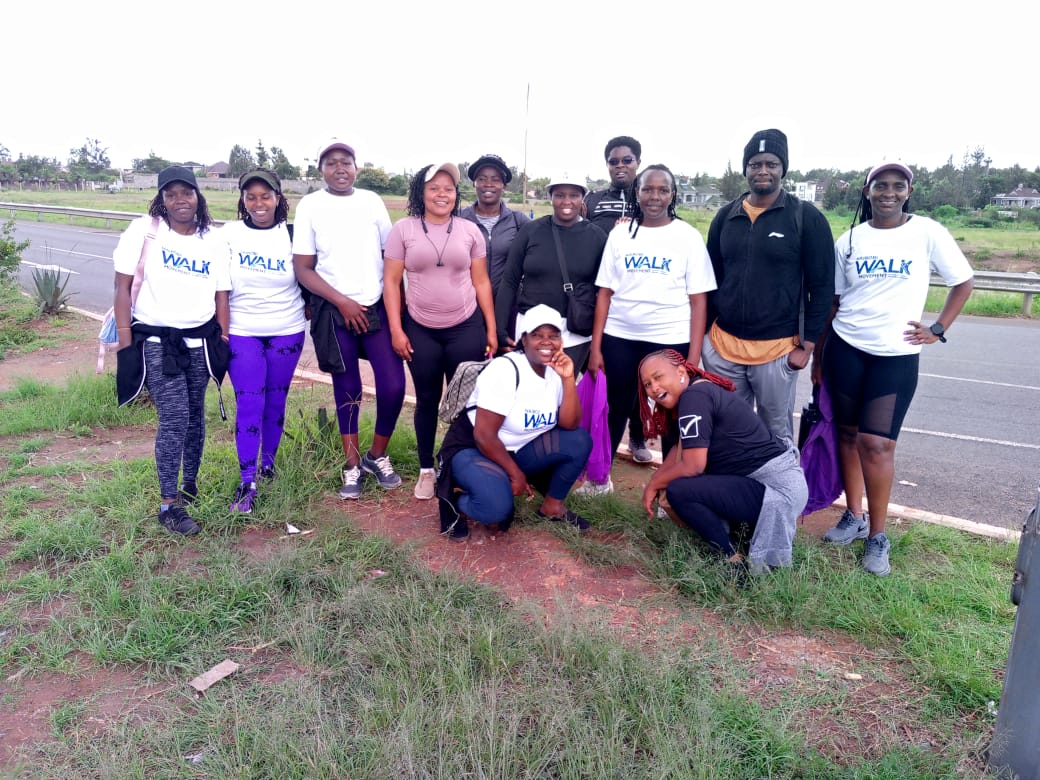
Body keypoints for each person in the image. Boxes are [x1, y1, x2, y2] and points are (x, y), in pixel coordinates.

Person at [816, 162, 973, 576]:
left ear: (908, 191)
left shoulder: (927, 232)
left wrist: (938, 328)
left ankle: (877, 536)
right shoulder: (849, 238)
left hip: (896, 355)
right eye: (880, 186)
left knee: (878, 444)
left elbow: (963, 281)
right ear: (867, 192)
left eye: (897, 186)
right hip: (846, 348)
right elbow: (833, 302)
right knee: (846, 436)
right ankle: (853, 515)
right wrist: (818, 357)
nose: (888, 192)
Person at [581, 164, 717, 495]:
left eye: (662, 190)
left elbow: (699, 302)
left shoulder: (687, 237)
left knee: (673, 415)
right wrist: (596, 347)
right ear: (636, 193)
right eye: (647, 189)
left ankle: (672, 492)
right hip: (620, 337)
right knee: (612, 408)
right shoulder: (620, 234)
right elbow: (604, 294)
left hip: (671, 339)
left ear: (672, 195)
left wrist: (694, 357)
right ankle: (600, 479)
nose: (654, 196)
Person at [114, 165, 231, 536]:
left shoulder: (214, 239)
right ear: (161, 199)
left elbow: (221, 294)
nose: (180, 200)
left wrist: (223, 341)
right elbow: (122, 287)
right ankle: (168, 505)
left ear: (199, 196)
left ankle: (189, 486)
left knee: (196, 415)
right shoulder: (145, 231)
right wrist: (124, 340)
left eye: (187, 193)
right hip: (157, 342)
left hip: (200, 341)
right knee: (176, 415)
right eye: (171, 194)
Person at [703, 128, 835, 445]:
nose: (763, 171)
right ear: (746, 169)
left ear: (782, 169)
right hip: (724, 349)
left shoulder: (806, 218)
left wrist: (807, 346)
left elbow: (822, 287)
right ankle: (735, 493)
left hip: (777, 350)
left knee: (775, 435)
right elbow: (710, 279)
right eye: (755, 164)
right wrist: (707, 336)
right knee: (729, 430)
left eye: (771, 164)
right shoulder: (725, 216)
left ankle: (783, 494)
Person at [292, 140, 406, 501]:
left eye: (346, 162)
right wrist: (341, 302)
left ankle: (377, 455)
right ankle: (352, 463)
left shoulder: (371, 201)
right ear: (320, 169)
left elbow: (392, 254)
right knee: (349, 388)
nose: (339, 168)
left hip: (374, 306)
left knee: (392, 385)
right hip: (333, 309)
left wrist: (395, 305)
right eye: (331, 163)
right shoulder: (310, 204)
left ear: (356, 167)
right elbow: (303, 268)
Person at [382, 163, 498, 501]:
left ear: (455, 194)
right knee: (428, 401)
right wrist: (395, 329)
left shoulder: (469, 231)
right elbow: (391, 282)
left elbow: (481, 281)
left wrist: (491, 329)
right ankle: (426, 470)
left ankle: (456, 464)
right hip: (420, 330)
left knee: (464, 403)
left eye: (448, 188)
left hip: (466, 327)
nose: (441, 194)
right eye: (434, 188)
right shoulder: (403, 230)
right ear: (421, 192)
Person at [637, 349, 808, 573]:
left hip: (776, 491)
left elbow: (693, 465)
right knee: (692, 482)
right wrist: (657, 479)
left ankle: (731, 561)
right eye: (647, 384)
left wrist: (654, 484)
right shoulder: (698, 389)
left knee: (680, 490)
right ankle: (739, 536)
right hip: (780, 484)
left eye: (658, 377)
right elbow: (680, 448)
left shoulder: (693, 397)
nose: (654, 388)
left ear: (680, 371)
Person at [435, 305, 592, 540]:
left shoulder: (555, 371)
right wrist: (516, 475)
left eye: (553, 335)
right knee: (495, 509)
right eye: (537, 335)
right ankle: (456, 496)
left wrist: (568, 379)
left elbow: (569, 425)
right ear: (523, 339)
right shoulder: (505, 370)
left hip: (519, 450)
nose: (546, 342)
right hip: (475, 448)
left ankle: (552, 507)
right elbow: (484, 436)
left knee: (579, 441)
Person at [222, 168, 306, 513]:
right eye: (251, 196)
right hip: (243, 332)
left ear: (278, 198)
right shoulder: (228, 234)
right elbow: (218, 287)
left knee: (276, 401)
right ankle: (247, 481)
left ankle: (268, 465)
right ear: (243, 200)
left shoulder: (293, 235)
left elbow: (311, 273)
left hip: (287, 328)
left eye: (265, 195)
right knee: (250, 404)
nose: (259, 203)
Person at [495, 173, 607, 373]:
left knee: (564, 391)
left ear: (583, 198)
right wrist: (500, 327)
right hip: (531, 328)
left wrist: (599, 341)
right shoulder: (531, 231)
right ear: (550, 197)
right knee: (530, 390)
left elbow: (604, 292)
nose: (566, 201)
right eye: (560, 195)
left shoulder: (597, 236)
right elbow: (510, 280)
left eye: (573, 195)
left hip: (573, 332)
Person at [584, 135, 652, 463]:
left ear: (637, 162)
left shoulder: (649, 198)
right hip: (597, 296)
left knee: (640, 374)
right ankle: (597, 436)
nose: (620, 166)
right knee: (606, 374)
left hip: (636, 298)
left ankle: (638, 435)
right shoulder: (593, 199)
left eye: (627, 160)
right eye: (614, 161)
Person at [460, 153, 530, 298]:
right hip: (468, 304)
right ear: (474, 183)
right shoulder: (458, 219)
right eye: (482, 179)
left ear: (503, 185)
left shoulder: (518, 221)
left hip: (508, 304)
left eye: (496, 180)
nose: (488, 184)